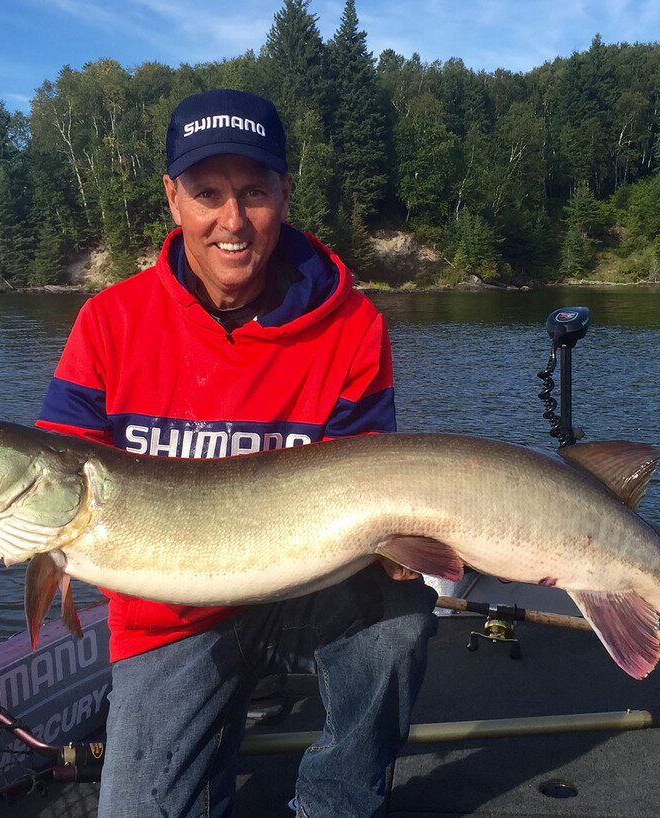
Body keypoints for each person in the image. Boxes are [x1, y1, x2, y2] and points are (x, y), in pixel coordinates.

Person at [37, 88, 438, 818]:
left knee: (399, 614)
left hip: (309, 588)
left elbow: (372, 475)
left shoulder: (352, 326)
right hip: (170, 617)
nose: (232, 219)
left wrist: (410, 544)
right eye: (208, 192)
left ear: (284, 194)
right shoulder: (108, 321)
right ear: (173, 198)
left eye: (253, 191)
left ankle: (337, 802)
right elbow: (55, 469)